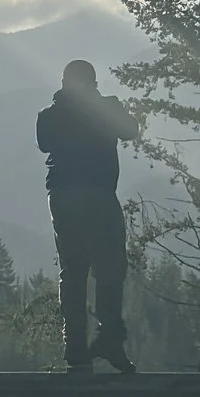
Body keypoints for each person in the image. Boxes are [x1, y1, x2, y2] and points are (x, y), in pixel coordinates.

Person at [37, 58, 140, 373]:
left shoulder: (50, 116)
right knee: (110, 267)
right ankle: (109, 338)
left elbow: (44, 143)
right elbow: (131, 130)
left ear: (65, 83)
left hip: (64, 197)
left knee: (73, 269)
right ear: (93, 83)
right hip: (98, 193)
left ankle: (75, 345)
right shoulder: (105, 108)